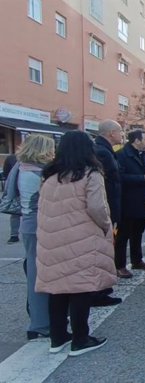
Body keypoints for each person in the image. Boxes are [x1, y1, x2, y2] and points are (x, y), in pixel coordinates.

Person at [36, 131, 116, 356]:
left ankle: (58, 337)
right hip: (81, 237)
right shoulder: (91, 174)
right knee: (81, 287)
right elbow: (97, 208)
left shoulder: (50, 175)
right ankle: (81, 339)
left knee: (57, 288)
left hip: (52, 239)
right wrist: (105, 226)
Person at [16, 135, 55, 340]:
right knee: (41, 274)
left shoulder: (19, 167)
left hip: (26, 224)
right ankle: (41, 322)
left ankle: (39, 319)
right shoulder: (42, 172)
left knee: (34, 271)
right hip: (41, 224)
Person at [115, 130, 145, 277]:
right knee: (123, 235)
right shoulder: (121, 156)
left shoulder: (143, 155)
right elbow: (119, 178)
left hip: (140, 200)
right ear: (136, 141)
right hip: (126, 202)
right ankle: (119, 265)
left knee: (138, 232)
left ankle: (137, 260)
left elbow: (144, 172)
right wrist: (142, 178)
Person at [92, 120, 123, 306]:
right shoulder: (102, 152)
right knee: (103, 250)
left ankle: (102, 289)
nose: (122, 135)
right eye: (120, 132)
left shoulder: (104, 150)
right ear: (111, 133)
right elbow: (111, 181)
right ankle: (99, 291)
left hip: (109, 206)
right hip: (107, 208)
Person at [4, 153, 20, 243]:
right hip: (16, 189)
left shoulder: (12, 158)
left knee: (15, 213)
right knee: (15, 213)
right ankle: (14, 235)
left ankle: (14, 235)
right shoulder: (11, 158)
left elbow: (7, 173)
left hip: (15, 188)